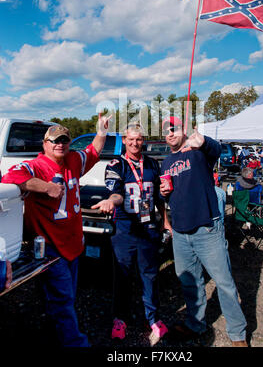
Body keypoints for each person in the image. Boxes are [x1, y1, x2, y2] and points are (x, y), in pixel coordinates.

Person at [1, 113, 110, 347]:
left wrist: (101, 131)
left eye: (64, 140)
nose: (60, 144)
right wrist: (46, 187)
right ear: (45, 144)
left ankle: (55, 335)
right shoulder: (35, 165)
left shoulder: (73, 160)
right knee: (63, 300)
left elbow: (93, 151)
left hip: (73, 245)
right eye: (54, 141)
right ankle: (75, 343)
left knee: (64, 298)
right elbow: (11, 177)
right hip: (51, 247)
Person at [160, 116, 247, 347]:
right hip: (180, 232)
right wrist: (164, 192)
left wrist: (204, 141)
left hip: (207, 228)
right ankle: (195, 324)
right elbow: (168, 193)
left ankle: (237, 334)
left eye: (174, 129)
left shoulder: (199, 152)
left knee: (224, 282)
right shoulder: (167, 162)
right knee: (190, 282)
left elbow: (215, 150)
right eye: (166, 131)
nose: (170, 134)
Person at [91, 123, 171, 346]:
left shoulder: (153, 163)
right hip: (125, 229)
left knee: (150, 275)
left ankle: (153, 318)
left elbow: (159, 198)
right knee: (122, 276)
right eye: (131, 139)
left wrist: (165, 222)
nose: (135, 143)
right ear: (124, 140)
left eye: (139, 139)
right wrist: (110, 201)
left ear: (143, 140)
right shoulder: (117, 164)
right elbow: (116, 194)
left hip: (148, 227)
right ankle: (120, 318)